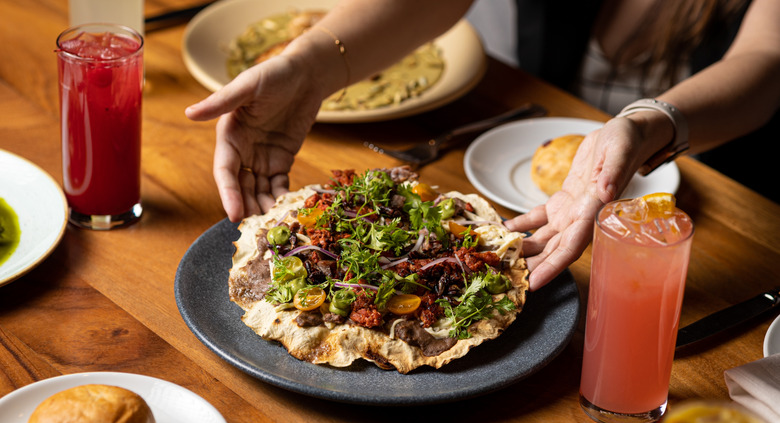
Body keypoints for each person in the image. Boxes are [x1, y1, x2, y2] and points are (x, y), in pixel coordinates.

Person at [185, 0, 780, 292]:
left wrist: (650, 122)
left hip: (726, 206)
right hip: (541, 137)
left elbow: (767, 60)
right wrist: (309, 68)